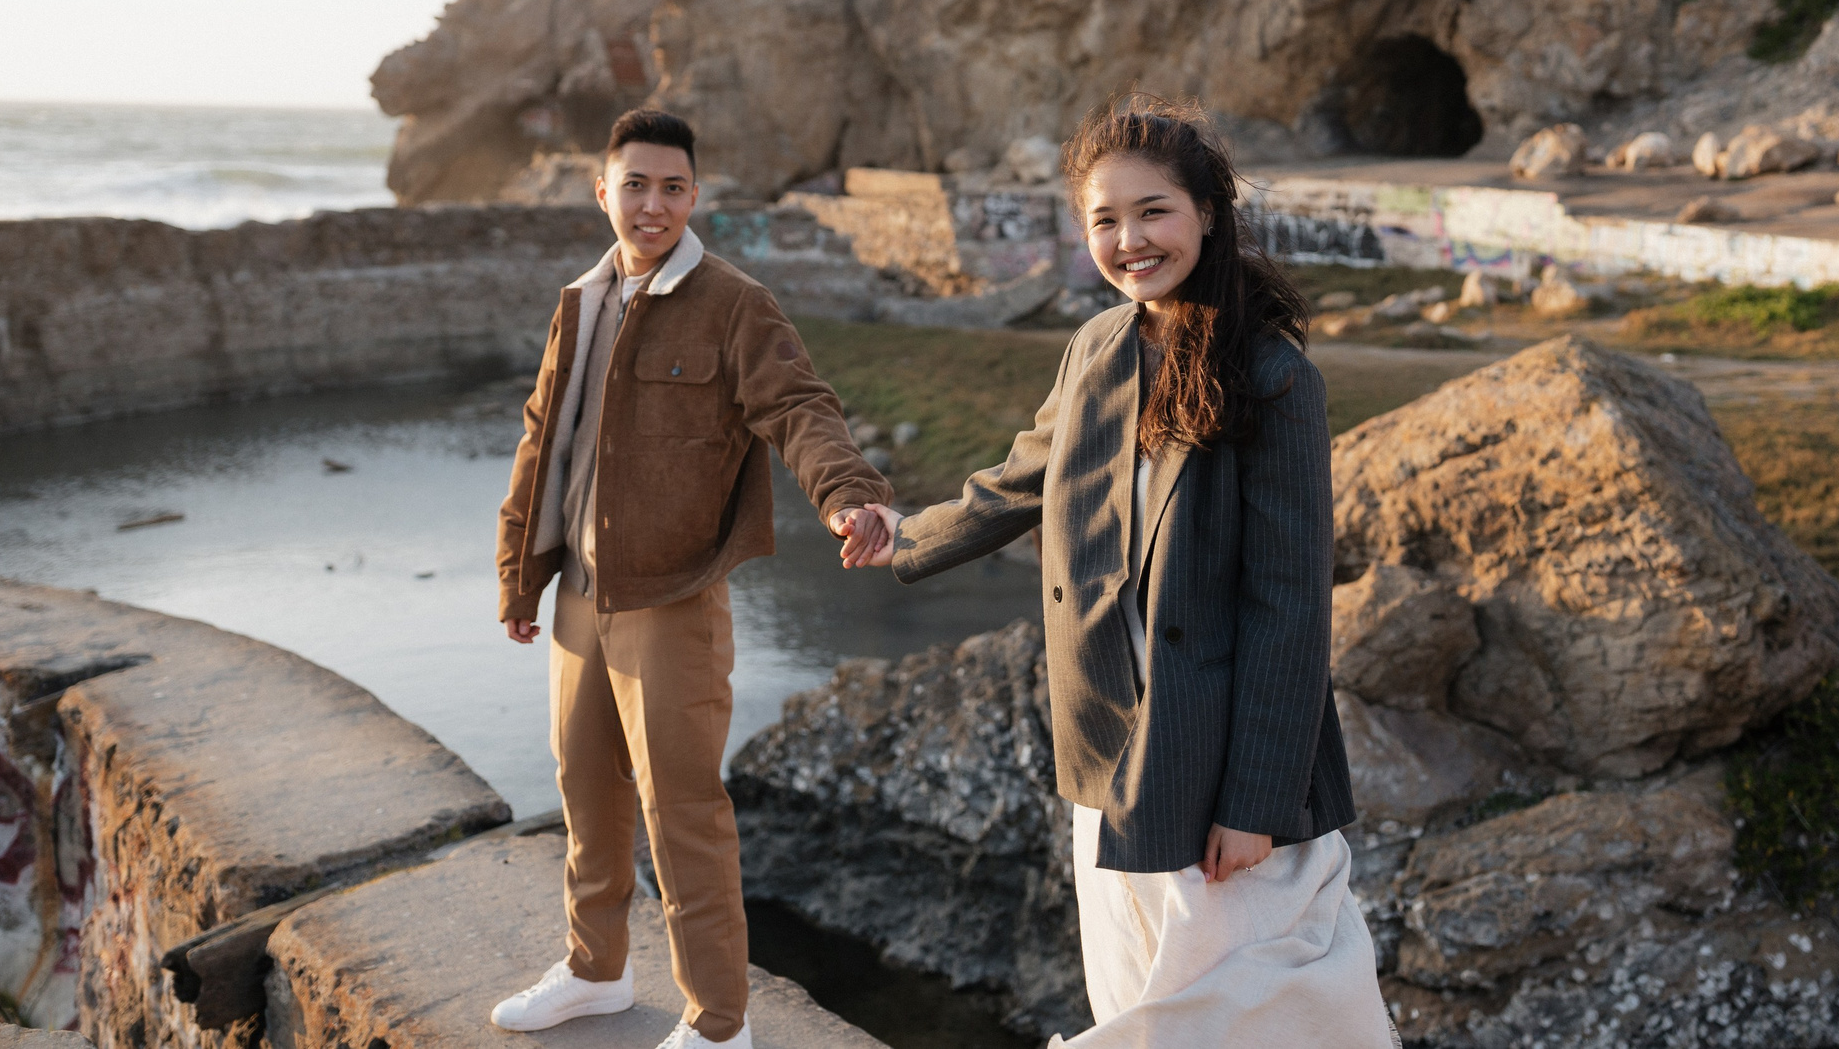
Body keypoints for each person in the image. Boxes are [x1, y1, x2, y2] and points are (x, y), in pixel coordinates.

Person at [835, 97, 1394, 1048]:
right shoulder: (1096, 347)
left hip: (1216, 765)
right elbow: (1019, 482)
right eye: (1104, 219)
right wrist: (908, 536)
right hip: (1104, 753)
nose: (1129, 240)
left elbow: (1291, 606)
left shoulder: (1275, 378)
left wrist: (1256, 804)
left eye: (1153, 211)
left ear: (1207, 213)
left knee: (1252, 1020)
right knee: (1135, 999)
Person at [490, 108, 894, 1049]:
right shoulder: (581, 301)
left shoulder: (734, 302)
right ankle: (597, 970)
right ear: (603, 191)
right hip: (580, 597)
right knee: (586, 790)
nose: (653, 204)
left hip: (674, 601)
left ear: (695, 197)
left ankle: (719, 1025)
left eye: (673, 187)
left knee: (684, 816)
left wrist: (847, 494)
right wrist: (520, 577)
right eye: (635, 184)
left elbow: (799, 405)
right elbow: (540, 444)